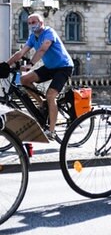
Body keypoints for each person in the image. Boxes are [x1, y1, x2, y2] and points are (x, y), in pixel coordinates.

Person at [6, 12, 74, 140]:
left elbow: (43, 49)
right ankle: (42, 103)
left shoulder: (49, 32)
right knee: (24, 80)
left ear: (41, 23)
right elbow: (21, 53)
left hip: (64, 67)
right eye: (29, 23)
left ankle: (51, 131)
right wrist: (5, 65)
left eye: (34, 22)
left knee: (51, 95)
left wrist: (31, 64)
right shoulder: (33, 37)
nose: (32, 25)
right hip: (50, 67)